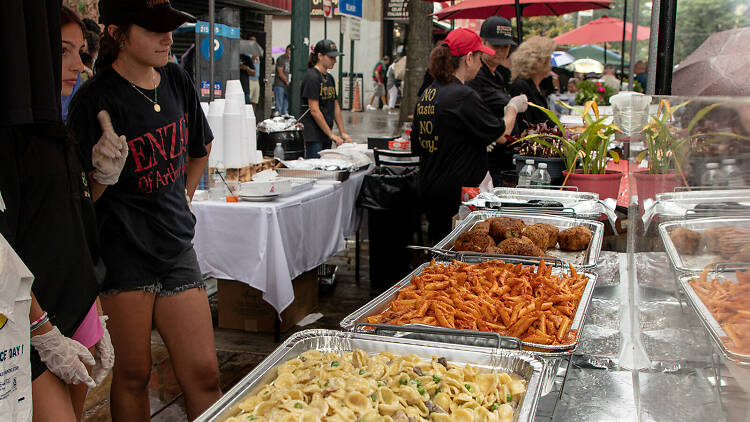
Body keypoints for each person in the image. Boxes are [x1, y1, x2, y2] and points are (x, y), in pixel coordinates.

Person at [66, 0, 222, 420]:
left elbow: (200, 148)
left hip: (175, 250)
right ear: (119, 33)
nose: (166, 38)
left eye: (169, 28)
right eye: (153, 29)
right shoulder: (93, 100)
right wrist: (101, 174)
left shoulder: (176, 79)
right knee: (133, 375)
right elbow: (79, 203)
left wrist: (183, 198)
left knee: (205, 373)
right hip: (122, 256)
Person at [1, 3, 113, 421]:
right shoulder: (15, 133)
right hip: (27, 323)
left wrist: (101, 177)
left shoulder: (58, 126)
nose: (78, 66)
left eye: (82, 53)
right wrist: (42, 332)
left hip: (75, 306)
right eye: (63, 51)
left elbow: (71, 225)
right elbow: (4, 248)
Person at [412, 28, 527, 243]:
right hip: (457, 193)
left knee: (440, 245)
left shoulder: (429, 93)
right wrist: (512, 107)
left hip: (431, 186)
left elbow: (420, 144)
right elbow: (502, 132)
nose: (481, 62)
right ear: (469, 58)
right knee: (456, 252)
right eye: (479, 56)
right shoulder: (463, 95)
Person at [466, 16, 522, 187]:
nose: (501, 51)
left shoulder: (499, 75)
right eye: (495, 45)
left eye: (505, 47)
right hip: (488, 164)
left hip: (504, 160)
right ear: (482, 43)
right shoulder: (475, 76)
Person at [300, 39, 353, 158]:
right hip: (313, 135)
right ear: (320, 56)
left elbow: (335, 106)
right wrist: (332, 135)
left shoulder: (329, 78)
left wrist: (342, 132)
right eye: (331, 57)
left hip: (325, 133)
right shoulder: (312, 77)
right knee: (316, 168)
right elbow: (314, 110)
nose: (335, 61)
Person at [510, 36, 557, 132]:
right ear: (539, 62)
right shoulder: (521, 86)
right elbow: (524, 125)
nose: (551, 64)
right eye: (548, 60)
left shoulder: (538, 85)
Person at [273, 44, 291, 115]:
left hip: (287, 85)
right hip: (279, 84)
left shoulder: (291, 60)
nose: (290, 52)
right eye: (289, 50)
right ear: (286, 50)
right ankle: (278, 116)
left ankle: (284, 115)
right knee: (279, 103)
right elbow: (280, 72)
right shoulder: (281, 59)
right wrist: (286, 81)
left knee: (285, 104)